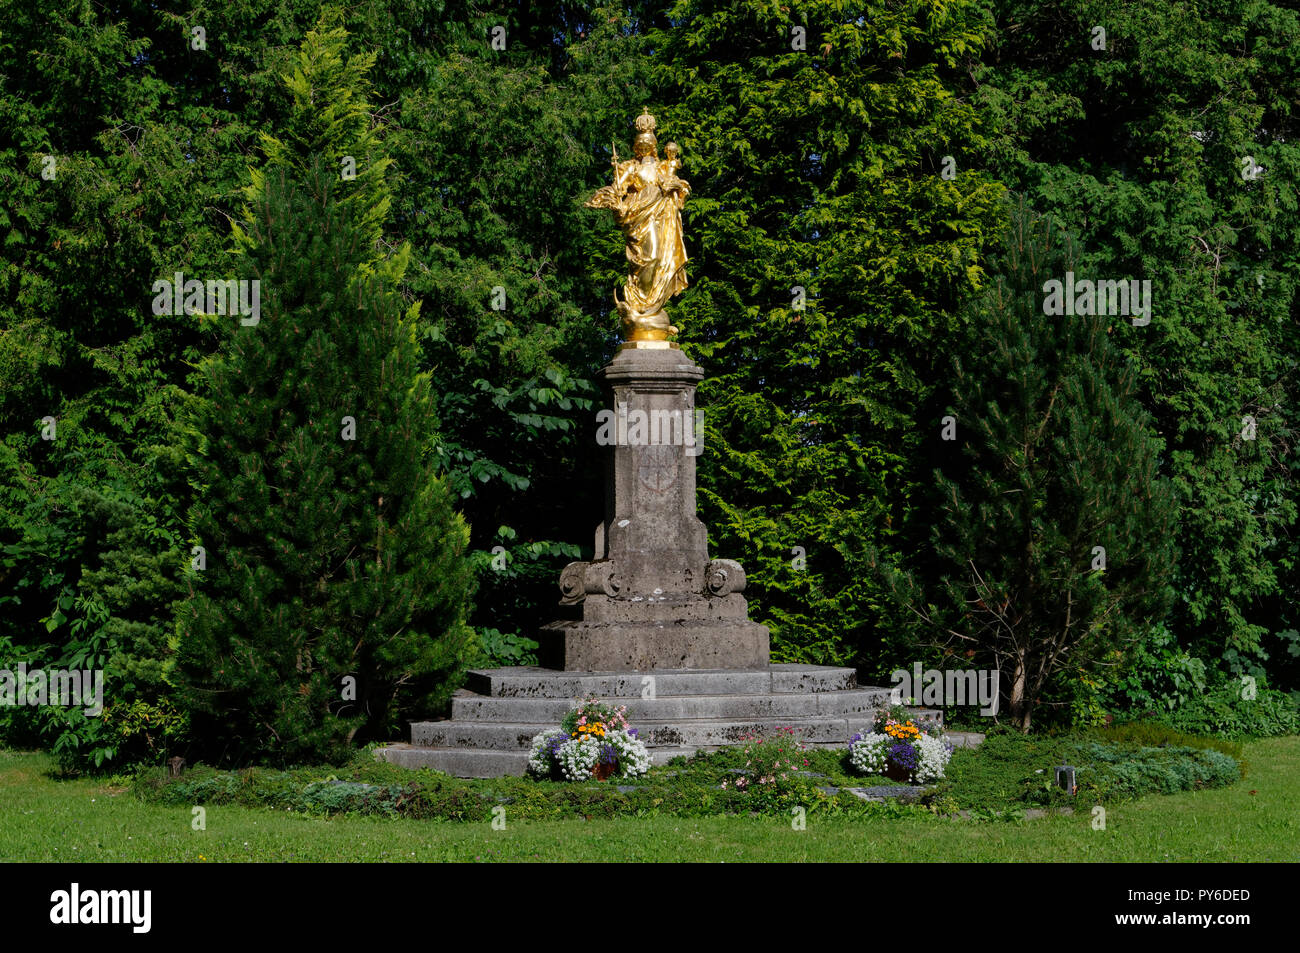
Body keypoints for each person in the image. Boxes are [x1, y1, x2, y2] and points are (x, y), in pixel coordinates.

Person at [585, 111, 690, 341]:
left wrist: (676, 188)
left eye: (648, 144)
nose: (644, 148)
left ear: (653, 146)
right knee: (648, 258)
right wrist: (613, 198)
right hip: (639, 221)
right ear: (636, 147)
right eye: (640, 144)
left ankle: (652, 308)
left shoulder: (663, 167)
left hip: (661, 219)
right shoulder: (630, 168)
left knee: (662, 259)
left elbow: (676, 189)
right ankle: (641, 306)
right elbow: (617, 191)